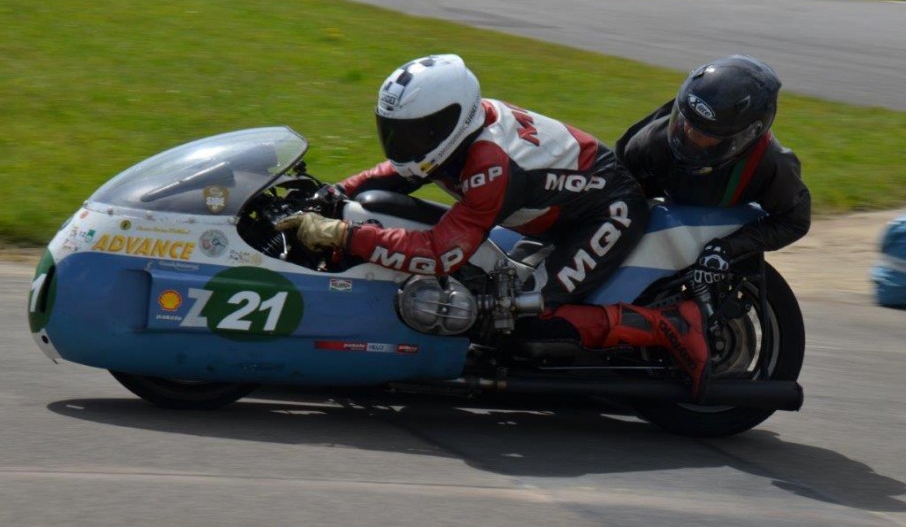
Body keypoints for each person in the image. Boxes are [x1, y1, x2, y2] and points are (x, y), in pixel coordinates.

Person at [277, 54, 711, 398]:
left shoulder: (490, 164)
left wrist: (348, 235)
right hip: (546, 210)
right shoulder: (455, 136)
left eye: (414, 133)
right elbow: (396, 171)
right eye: (396, 131)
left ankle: (667, 322)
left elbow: (440, 251)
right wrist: (334, 191)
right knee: (487, 280)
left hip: (606, 212)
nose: (403, 144)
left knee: (526, 317)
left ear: (449, 122)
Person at [615, 55, 811, 307]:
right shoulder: (651, 141)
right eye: (685, 120)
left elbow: (795, 220)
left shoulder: (773, 165)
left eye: (703, 132)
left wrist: (729, 248)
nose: (687, 132)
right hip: (661, 220)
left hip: (723, 233)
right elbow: (611, 187)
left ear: (745, 135)